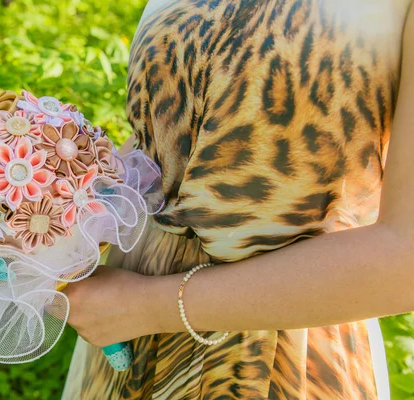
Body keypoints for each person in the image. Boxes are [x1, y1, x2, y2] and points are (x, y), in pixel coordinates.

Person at [62, 0, 414, 398]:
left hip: (278, 350)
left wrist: (146, 307)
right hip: (122, 331)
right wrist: (45, 204)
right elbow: (166, 145)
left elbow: (407, 258)